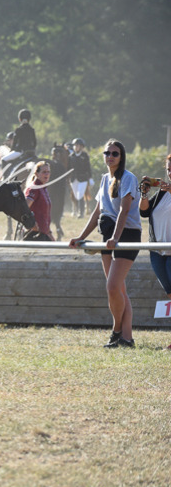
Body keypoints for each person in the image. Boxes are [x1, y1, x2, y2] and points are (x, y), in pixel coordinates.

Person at [69, 139, 142, 348]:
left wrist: (116, 238)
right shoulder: (103, 179)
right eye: (107, 153)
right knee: (118, 290)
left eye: (115, 153)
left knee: (112, 287)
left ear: (122, 156)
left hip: (126, 234)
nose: (110, 156)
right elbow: (98, 211)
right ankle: (126, 338)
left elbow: (124, 210)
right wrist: (81, 236)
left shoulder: (128, 178)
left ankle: (116, 330)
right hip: (108, 234)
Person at [139, 154, 171, 349]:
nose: (170, 172)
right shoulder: (161, 193)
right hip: (157, 250)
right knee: (169, 293)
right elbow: (144, 212)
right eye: (168, 169)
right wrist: (144, 194)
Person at [23, 161, 53, 241]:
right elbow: (24, 208)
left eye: (48, 172)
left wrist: (49, 233)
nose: (46, 174)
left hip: (44, 233)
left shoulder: (43, 188)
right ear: (36, 174)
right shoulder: (34, 188)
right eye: (44, 172)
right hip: (34, 234)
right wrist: (32, 224)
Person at [68, 138, 93, 218]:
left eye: (77, 145)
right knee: (75, 195)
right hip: (73, 179)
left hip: (83, 179)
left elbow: (88, 167)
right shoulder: (71, 156)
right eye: (75, 145)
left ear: (81, 147)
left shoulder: (84, 156)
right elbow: (69, 168)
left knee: (80, 195)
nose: (76, 147)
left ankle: (81, 213)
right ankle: (76, 210)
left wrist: (90, 178)